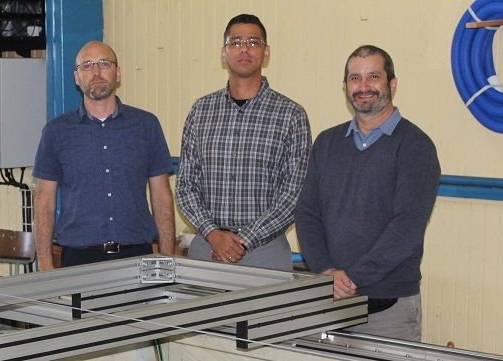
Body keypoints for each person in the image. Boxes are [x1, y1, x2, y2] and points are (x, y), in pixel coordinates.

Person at [295, 45, 441, 342]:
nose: (364, 87)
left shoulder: (415, 147)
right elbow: (307, 213)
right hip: (329, 303)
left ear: (392, 84)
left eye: (373, 76)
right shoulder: (327, 143)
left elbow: (407, 228)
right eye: (355, 78)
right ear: (346, 87)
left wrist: (351, 279)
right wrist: (326, 272)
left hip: (388, 311)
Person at [175, 14, 310, 271]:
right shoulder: (200, 111)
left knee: (267, 314)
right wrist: (214, 234)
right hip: (206, 248)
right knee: (204, 313)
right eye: (235, 43)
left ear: (266, 52)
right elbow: (185, 186)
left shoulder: (291, 115)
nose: (244, 49)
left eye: (253, 42)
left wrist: (244, 241)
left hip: (265, 252)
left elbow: (294, 193)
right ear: (224, 53)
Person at [32, 41, 175, 269]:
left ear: (117, 73)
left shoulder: (146, 126)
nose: (96, 72)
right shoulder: (56, 132)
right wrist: (45, 264)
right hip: (78, 262)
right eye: (87, 65)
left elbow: (161, 196)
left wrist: (168, 259)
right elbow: (44, 202)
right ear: (76, 77)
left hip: (138, 259)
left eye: (104, 63)